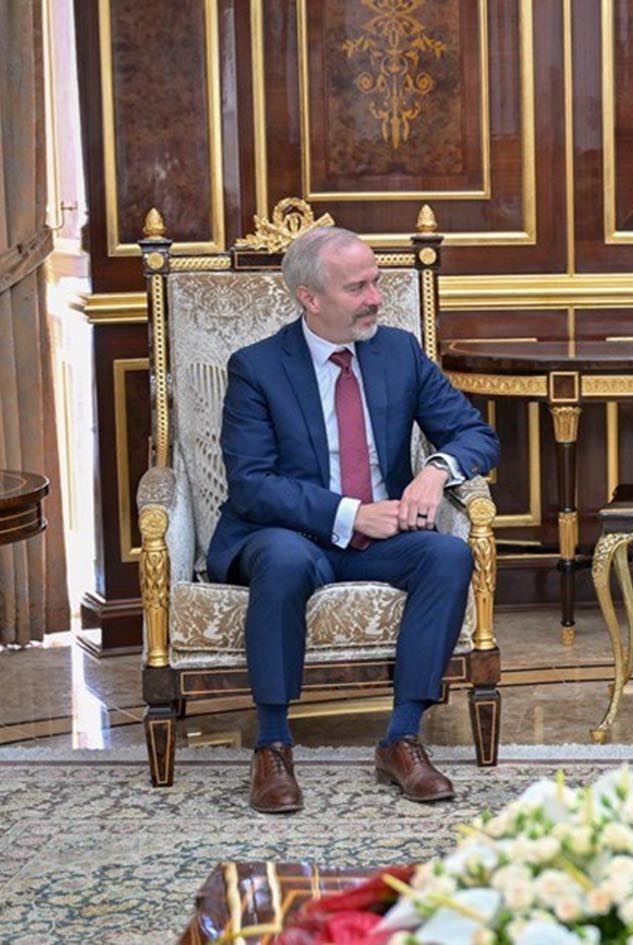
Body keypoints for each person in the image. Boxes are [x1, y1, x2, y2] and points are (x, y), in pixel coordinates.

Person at [206, 226, 500, 814]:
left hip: (383, 537)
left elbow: (475, 434)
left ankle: (402, 739)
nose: (375, 298)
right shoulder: (257, 368)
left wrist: (435, 470)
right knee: (283, 560)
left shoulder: (399, 352)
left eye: (375, 282)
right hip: (290, 533)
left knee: (447, 553)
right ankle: (272, 746)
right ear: (309, 298)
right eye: (357, 288)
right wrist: (352, 514)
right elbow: (252, 485)